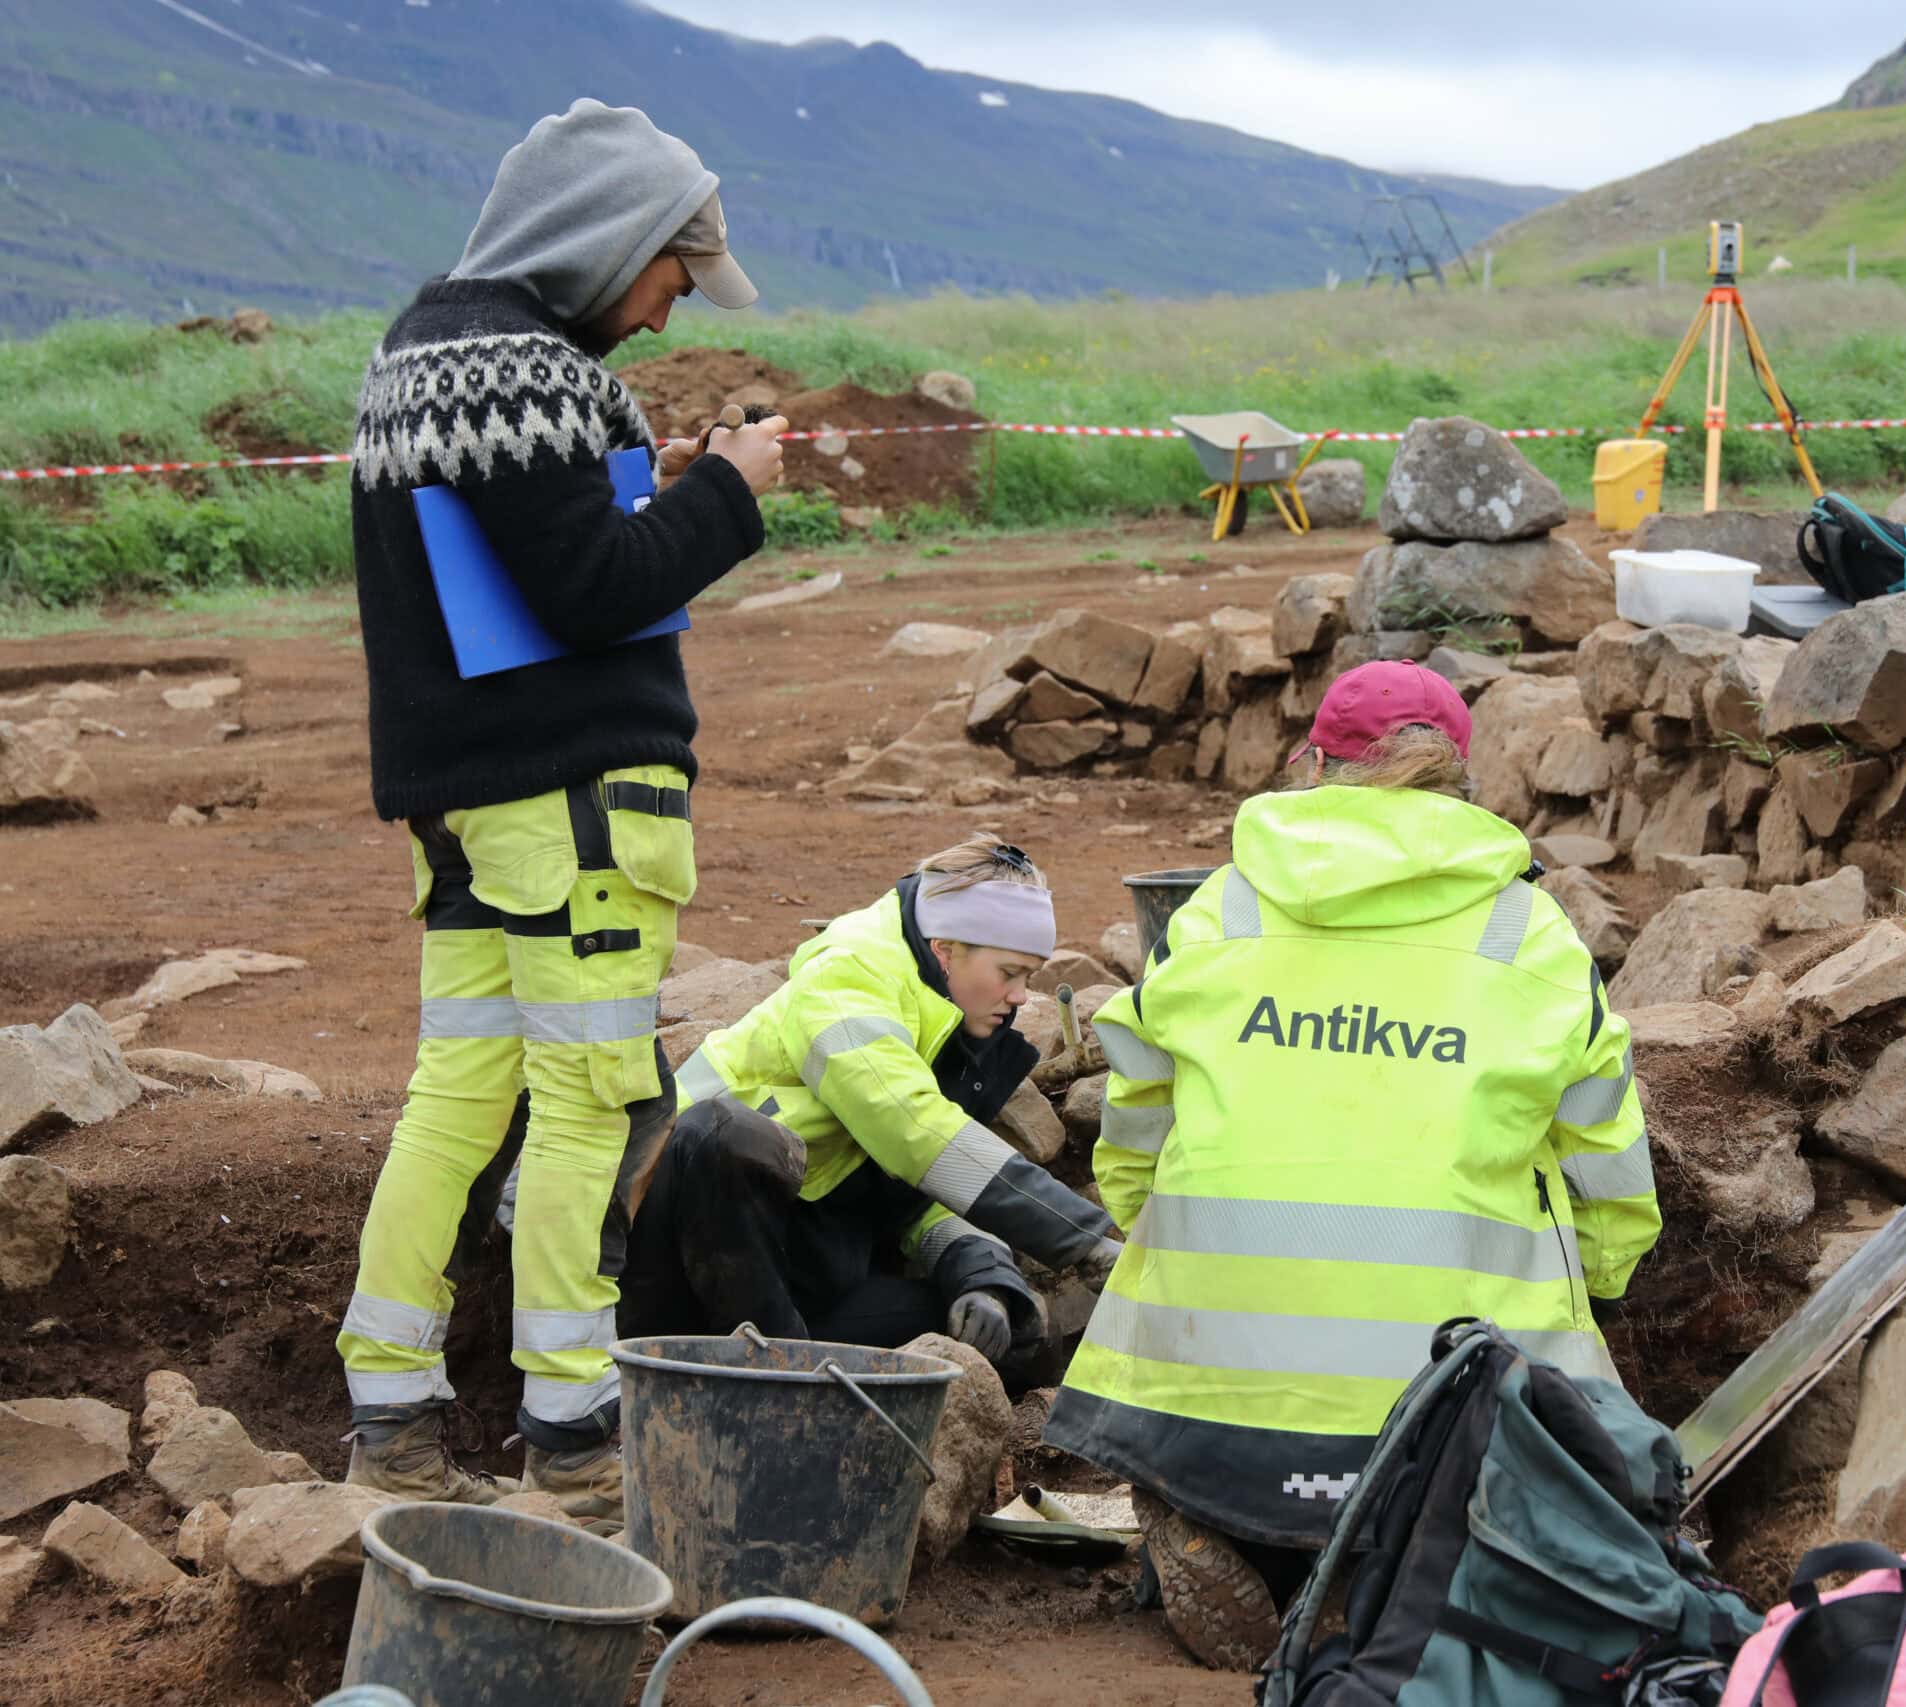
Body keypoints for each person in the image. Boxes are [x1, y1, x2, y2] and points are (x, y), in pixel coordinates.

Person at [335, 98, 793, 1521]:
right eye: (670, 273)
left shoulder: (413, 353)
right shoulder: (529, 373)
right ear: (612, 241)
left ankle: (392, 1408)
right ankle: (576, 1447)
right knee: (587, 1104)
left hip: (470, 806)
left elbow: (525, 567)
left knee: (459, 1093)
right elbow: (591, 588)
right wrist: (726, 492)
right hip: (575, 805)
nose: (665, 316)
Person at [1044, 660, 1661, 1670]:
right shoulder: (1525, 932)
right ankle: (1391, 1580)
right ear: (1459, 779)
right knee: (1493, 1484)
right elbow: (1604, 1152)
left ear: (1313, 762)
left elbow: (1137, 1120)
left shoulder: (1221, 912)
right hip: (1440, 1392)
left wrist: (1157, 1238)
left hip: (1214, 1377)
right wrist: (1599, 1281)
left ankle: (1213, 1519)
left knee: (1191, 1391)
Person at [615, 836, 1123, 1368]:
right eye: (1010, 972)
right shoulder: (849, 976)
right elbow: (912, 1128)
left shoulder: (943, 1022)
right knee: (723, 1132)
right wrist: (1083, 1239)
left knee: (1015, 1335)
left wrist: (983, 1279)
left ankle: (793, 1369)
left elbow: (911, 1195)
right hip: (674, 1274)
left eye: (1030, 977)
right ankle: (777, 1385)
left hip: (795, 1281)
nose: (1021, 996)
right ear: (945, 949)